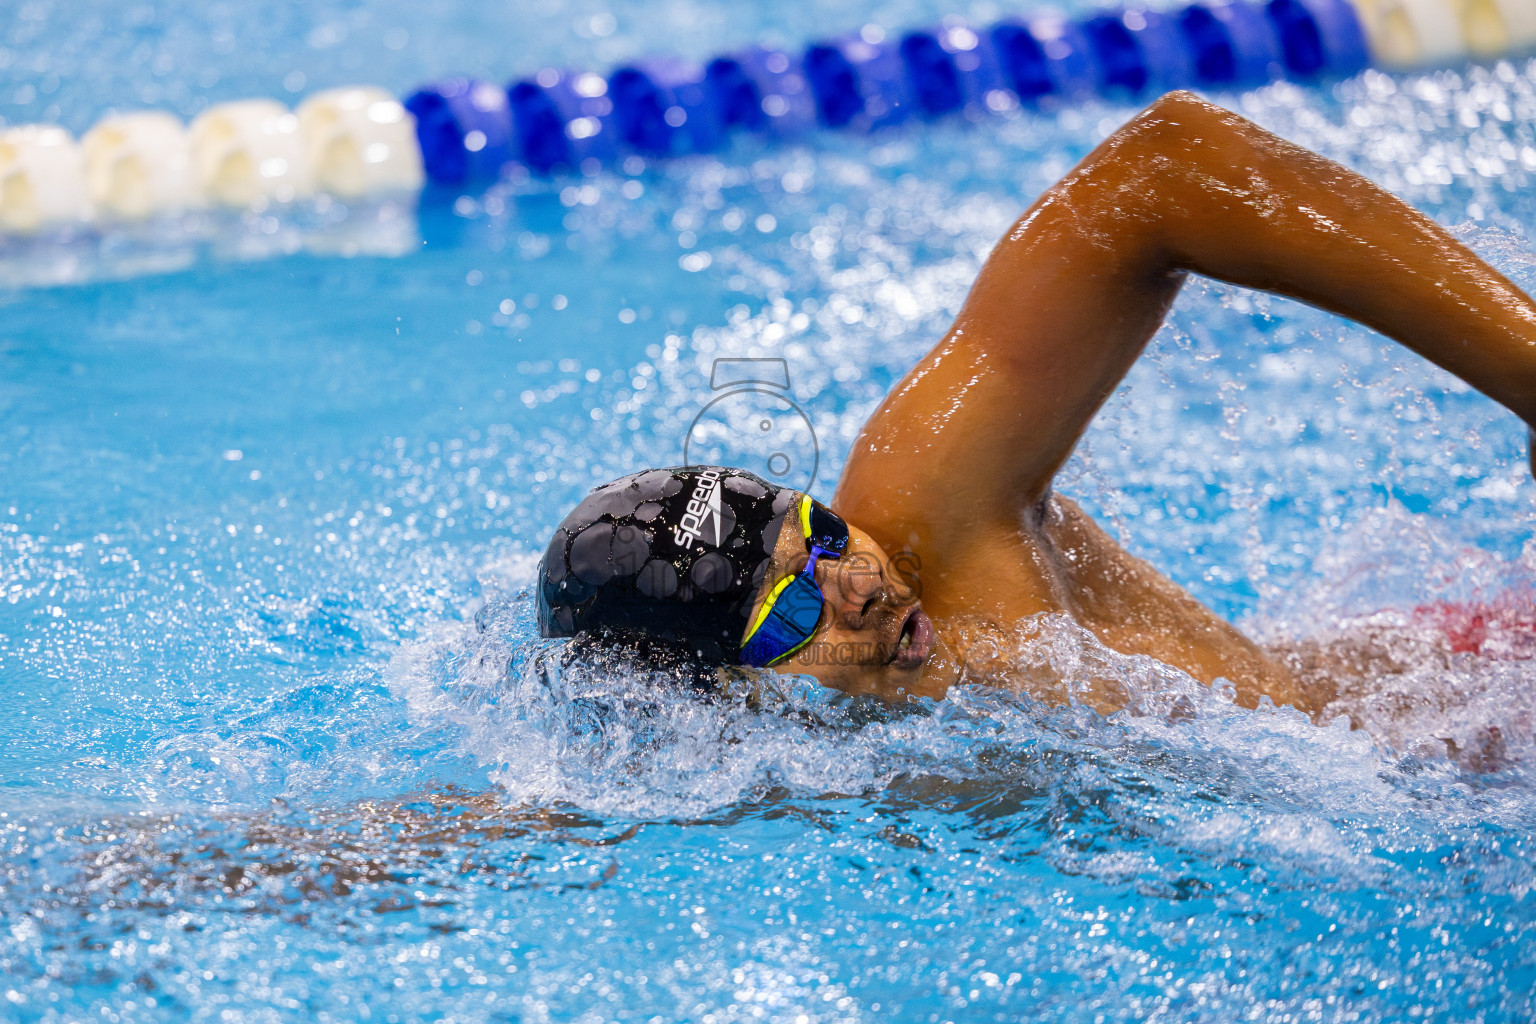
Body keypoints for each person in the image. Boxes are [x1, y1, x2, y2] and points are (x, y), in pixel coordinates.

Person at [537, 90, 1536, 715]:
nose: (861, 584)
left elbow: (1166, 166)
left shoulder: (932, 519)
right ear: (717, 697)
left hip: (1468, 711)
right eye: (795, 602)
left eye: (824, 537)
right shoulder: (766, 764)